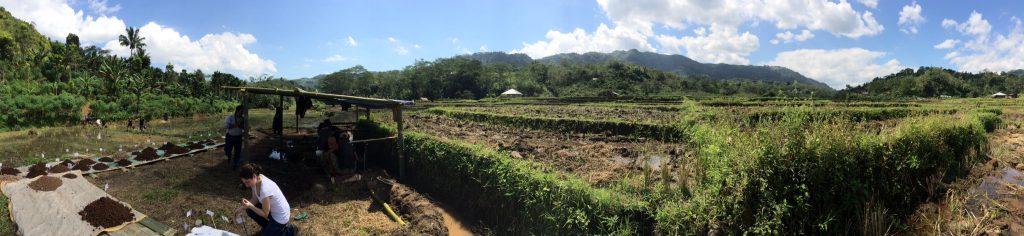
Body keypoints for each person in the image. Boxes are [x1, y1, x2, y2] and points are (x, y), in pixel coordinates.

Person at [234, 164, 295, 236]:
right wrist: (241, 208)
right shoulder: (256, 180)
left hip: (281, 216)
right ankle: (269, 227)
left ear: (254, 176)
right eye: (244, 183)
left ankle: (288, 231)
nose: (246, 185)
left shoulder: (265, 189)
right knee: (249, 210)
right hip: (271, 211)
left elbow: (265, 214)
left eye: (247, 182)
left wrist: (250, 206)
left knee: (251, 209)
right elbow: (255, 199)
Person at [225, 105, 246, 171]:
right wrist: (236, 125)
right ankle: (229, 156)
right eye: (242, 111)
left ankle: (236, 165)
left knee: (238, 152)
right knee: (227, 150)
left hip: (238, 137)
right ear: (238, 110)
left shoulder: (243, 119)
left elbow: (244, 127)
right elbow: (226, 126)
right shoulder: (230, 117)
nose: (243, 112)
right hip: (230, 137)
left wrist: (243, 126)